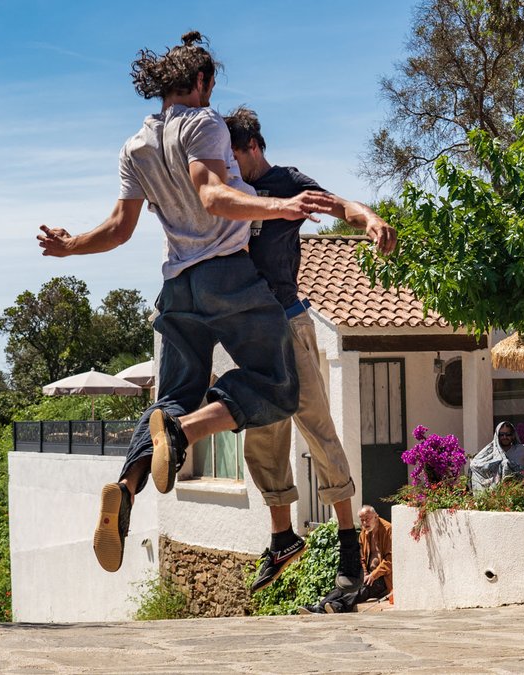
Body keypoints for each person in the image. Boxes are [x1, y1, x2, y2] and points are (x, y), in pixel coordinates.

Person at [36, 31, 337, 575]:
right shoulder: (205, 123)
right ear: (200, 82)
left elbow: (119, 229)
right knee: (277, 385)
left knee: (171, 395)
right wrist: (280, 206)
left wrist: (70, 245)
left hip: (177, 288)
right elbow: (213, 195)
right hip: (229, 279)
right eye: (210, 85)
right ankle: (187, 432)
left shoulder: (135, 147)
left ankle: (126, 487)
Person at [223, 106, 396, 593]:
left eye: (236, 156)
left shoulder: (285, 181)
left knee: (316, 427)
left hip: (287, 321)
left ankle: (348, 551)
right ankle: (282, 537)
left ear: (253, 146)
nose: (231, 168)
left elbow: (338, 205)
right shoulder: (231, 192)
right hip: (249, 333)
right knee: (262, 434)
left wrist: (371, 218)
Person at [298, 506, 393, 614]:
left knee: (363, 588)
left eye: (367, 519)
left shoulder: (388, 529)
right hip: (369, 575)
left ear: (376, 516)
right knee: (349, 585)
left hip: (384, 579)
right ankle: (319, 606)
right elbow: (361, 558)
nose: (365, 522)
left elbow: (391, 559)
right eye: (362, 520)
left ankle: (338, 606)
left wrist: (373, 575)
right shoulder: (364, 533)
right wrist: (365, 574)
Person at [470, 421, 524, 492]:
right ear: (497, 436)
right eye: (501, 434)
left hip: (521, 490)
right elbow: (474, 465)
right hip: (498, 493)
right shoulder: (490, 452)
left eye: (508, 434)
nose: (504, 437)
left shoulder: (522, 449)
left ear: (513, 436)